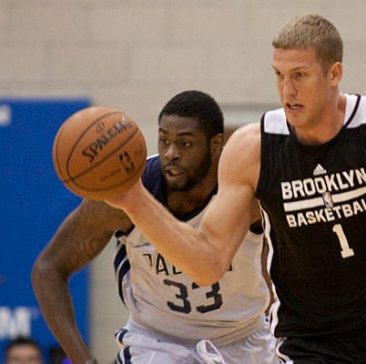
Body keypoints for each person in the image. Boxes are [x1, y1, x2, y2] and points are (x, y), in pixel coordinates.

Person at [104, 14, 366, 364]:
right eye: (278, 75)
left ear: (334, 73)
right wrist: (134, 201)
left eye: (300, 75)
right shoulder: (254, 148)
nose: (287, 90)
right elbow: (206, 262)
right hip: (305, 341)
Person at [32, 90, 277, 364]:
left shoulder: (246, 195)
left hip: (244, 338)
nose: (171, 153)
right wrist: (83, 360)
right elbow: (48, 269)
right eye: (164, 140)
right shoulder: (123, 195)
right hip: (157, 343)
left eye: (185, 144)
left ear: (216, 144)